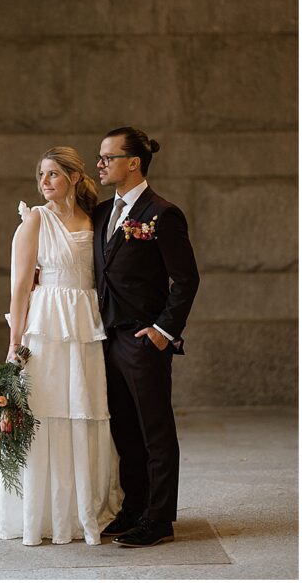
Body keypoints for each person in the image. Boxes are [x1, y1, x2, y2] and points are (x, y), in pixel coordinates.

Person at [0, 147, 121, 546]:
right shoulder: (34, 219)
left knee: (85, 408)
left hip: (86, 321)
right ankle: (43, 515)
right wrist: (15, 342)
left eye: (52, 174)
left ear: (71, 176)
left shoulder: (94, 217)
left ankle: (85, 509)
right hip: (48, 324)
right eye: (40, 175)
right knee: (48, 411)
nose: (44, 182)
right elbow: (19, 285)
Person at [94, 127, 199, 548]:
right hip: (106, 339)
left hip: (142, 341)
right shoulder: (103, 213)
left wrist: (162, 331)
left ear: (133, 162)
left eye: (107, 157)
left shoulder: (162, 213)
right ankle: (133, 508)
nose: (99, 164)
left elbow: (186, 280)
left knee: (154, 431)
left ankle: (159, 520)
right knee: (124, 430)